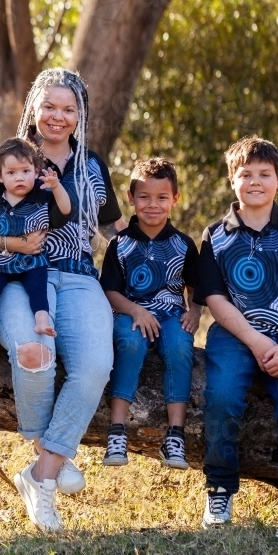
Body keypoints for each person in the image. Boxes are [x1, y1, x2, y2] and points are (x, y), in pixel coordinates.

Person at [0, 68, 123, 532]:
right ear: (34, 108)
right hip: (15, 277)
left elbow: (111, 227)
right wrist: (11, 246)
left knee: (94, 366)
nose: (58, 116)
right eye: (49, 106)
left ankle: (41, 473)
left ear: (80, 115)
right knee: (35, 354)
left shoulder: (91, 166)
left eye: (68, 109)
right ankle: (51, 454)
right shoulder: (6, 161)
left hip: (76, 275)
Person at [194, 135, 278, 538]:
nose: (255, 181)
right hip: (235, 336)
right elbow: (216, 300)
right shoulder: (215, 234)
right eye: (245, 174)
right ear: (232, 181)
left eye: (264, 174)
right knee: (220, 399)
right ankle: (220, 488)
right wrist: (255, 341)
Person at [99, 157, 201, 470]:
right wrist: (135, 311)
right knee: (129, 344)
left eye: (161, 198)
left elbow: (195, 286)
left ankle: (175, 436)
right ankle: (116, 433)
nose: (152, 205)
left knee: (180, 348)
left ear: (175, 199)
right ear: (131, 198)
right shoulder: (121, 244)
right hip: (131, 314)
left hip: (171, 315)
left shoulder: (183, 244)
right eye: (144, 197)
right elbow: (110, 291)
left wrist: (195, 311)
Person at [0, 137, 71, 343]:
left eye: (25, 171)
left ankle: (42, 321)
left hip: (32, 262)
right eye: (11, 173)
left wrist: (56, 187)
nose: (19, 178)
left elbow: (65, 210)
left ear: (37, 172)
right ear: (0, 176)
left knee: (39, 288)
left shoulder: (42, 198)